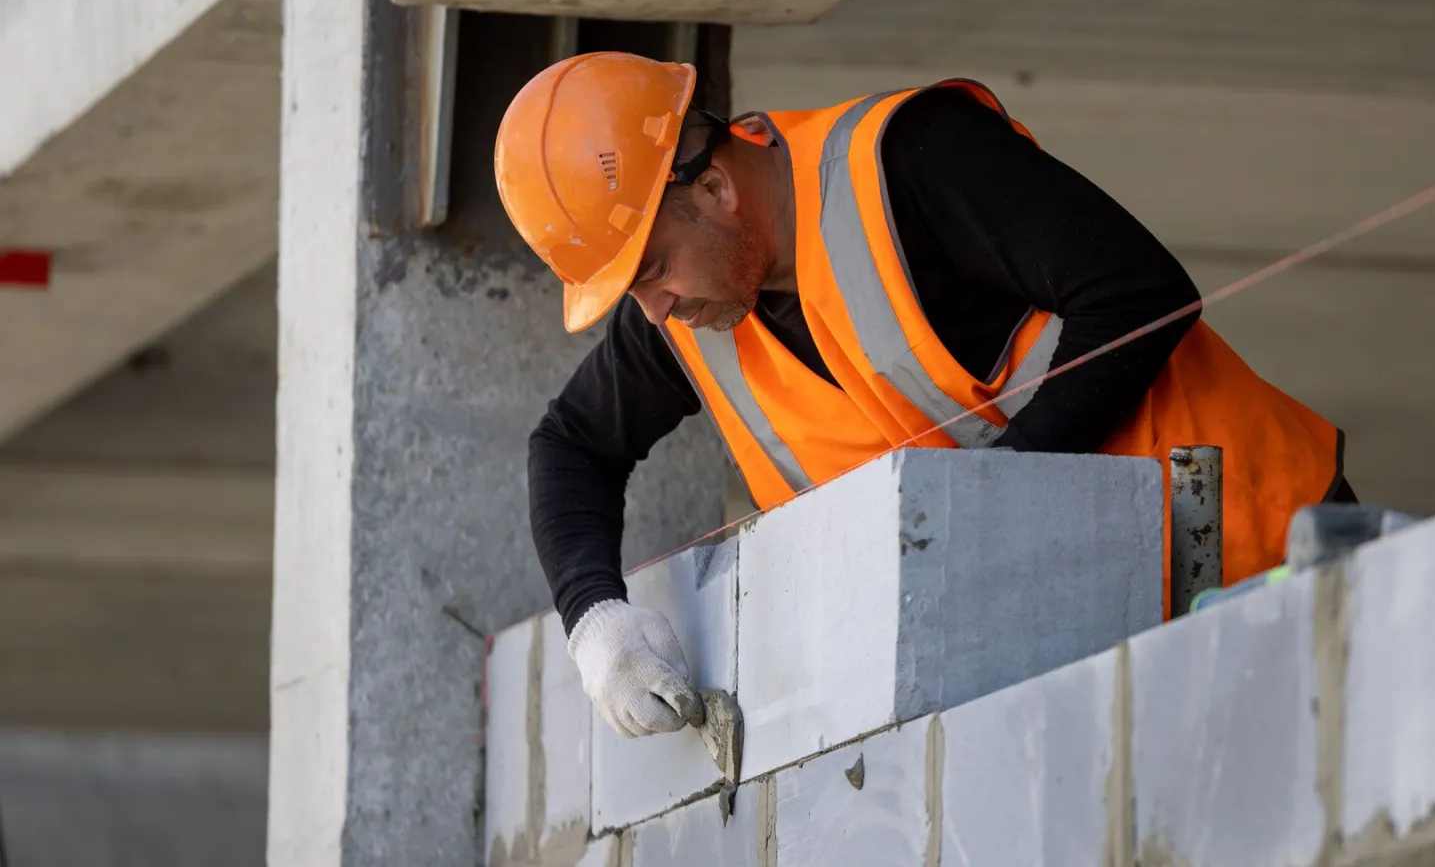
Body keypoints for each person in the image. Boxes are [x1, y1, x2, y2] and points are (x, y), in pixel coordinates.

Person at [495, 52, 1351, 739]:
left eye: (649, 269)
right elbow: (572, 445)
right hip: (1077, 662)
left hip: (1253, 551)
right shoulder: (684, 317)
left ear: (714, 188)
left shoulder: (909, 164)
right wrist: (594, 619)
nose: (655, 311)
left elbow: (1139, 294)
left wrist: (982, 510)